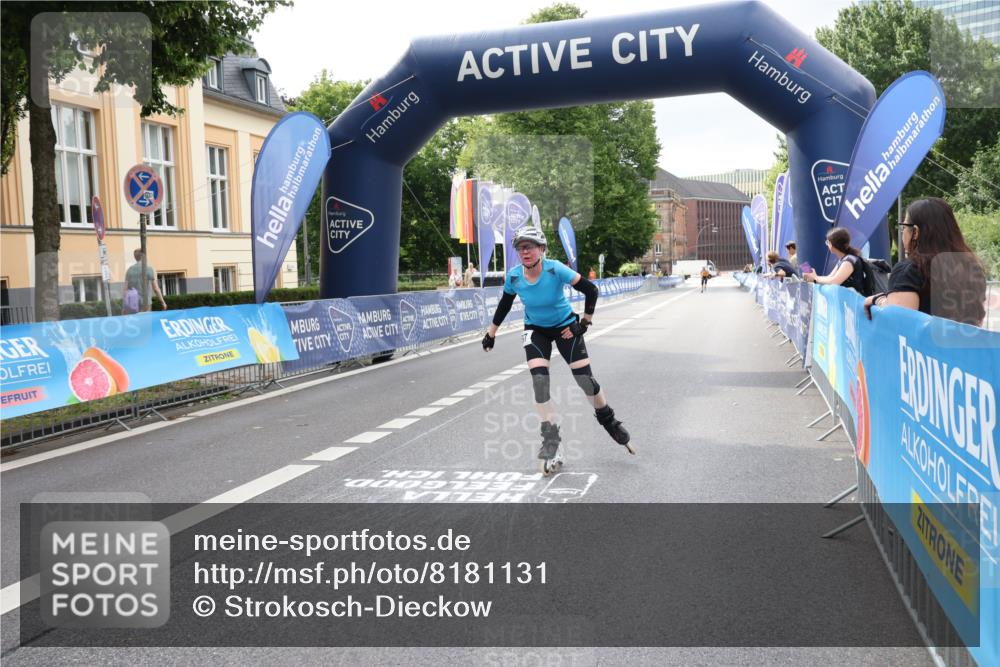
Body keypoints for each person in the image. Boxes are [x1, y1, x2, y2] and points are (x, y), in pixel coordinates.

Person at [482, 227, 633, 475]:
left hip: (565, 327)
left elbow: (591, 290)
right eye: (520, 248)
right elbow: (505, 305)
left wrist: (583, 323)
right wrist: (491, 333)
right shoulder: (514, 277)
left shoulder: (555, 269)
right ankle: (551, 439)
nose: (525, 252)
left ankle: (608, 419)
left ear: (541, 249)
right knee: (539, 382)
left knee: (585, 380)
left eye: (530, 247)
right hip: (536, 330)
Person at [864, 198, 986, 326]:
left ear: (915, 232)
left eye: (904, 227)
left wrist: (879, 300)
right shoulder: (971, 267)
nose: (902, 232)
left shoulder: (909, 271)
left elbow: (898, 324)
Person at [802, 227, 866, 294]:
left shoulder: (849, 261)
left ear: (831, 244)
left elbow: (835, 281)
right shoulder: (844, 259)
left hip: (855, 298)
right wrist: (814, 277)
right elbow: (830, 277)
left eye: (827, 242)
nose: (827, 245)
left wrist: (815, 278)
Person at [124, 249, 166, 313]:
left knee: (136, 319)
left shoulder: (129, 270)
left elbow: (125, 290)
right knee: (146, 319)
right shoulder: (149, 269)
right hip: (146, 303)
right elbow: (156, 289)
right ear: (143, 256)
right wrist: (163, 302)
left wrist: (125, 305)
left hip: (133, 303)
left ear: (135, 257)